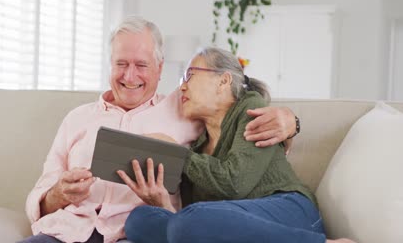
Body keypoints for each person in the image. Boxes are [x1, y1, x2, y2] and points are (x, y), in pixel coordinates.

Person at [21, 16, 299, 243]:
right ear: (110, 65)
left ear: (159, 68)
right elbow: (40, 197)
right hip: (64, 233)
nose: (130, 76)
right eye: (121, 64)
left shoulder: (183, 110)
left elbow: (232, 102)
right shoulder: (76, 118)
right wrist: (58, 193)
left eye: (141, 65)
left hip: (130, 234)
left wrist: (289, 121)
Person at [119, 47, 354, 243]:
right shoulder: (197, 147)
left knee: (190, 221)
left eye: (190, 75)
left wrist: (178, 154)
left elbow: (235, 183)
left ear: (223, 80)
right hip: (234, 223)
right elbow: (203, 216)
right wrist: (163, 204)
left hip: (289, 209)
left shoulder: (251, 108)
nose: (182, 87)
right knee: (139, 219)